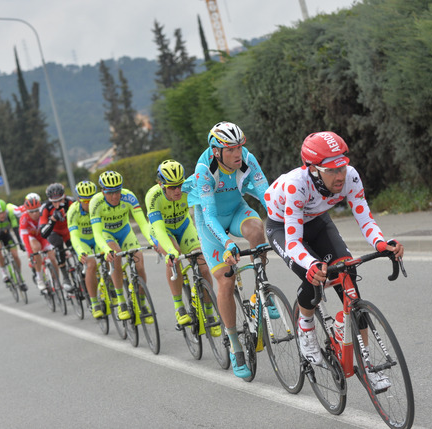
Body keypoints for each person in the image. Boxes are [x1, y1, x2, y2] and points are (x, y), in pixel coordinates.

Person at [264, 131, 404, 392]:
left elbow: (364, 217)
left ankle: (367, 364)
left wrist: (381, 243)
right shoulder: (297, 185)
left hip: (317, 220)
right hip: (283, 226)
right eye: (332, 170)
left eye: (342, 166)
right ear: (314, 170)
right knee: (316, 275)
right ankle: (305, 329)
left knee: (348, 276)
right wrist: (313, 265)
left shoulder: (350, 175)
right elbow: (294, 242)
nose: (340, 175)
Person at [183, 121, 270, 378]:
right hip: (211, 224)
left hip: (235, 210)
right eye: (231, 149)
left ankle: (260, 289)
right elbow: (208, 215)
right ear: (216, 151)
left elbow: (266, 194)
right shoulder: (204, 169)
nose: (237, 154)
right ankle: (234, 345)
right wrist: (228, 243)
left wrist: (286, 220)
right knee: (225, 281)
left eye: (240, 147)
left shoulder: (247, 159)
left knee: (257, 229)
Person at [145, 160, 221, 336]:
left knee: (202, 265)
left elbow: (207, 211)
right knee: (174, 258)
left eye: (179, 185)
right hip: (162, 230)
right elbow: (159, 229)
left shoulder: (190, 187)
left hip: (184, 226)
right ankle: (179, 306)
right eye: (172, 187)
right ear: (161, 184)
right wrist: (171, 252)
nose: (178, 191)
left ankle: (209, 312)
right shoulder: (153, 196)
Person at [90, 171, 154, 322]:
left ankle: (142, 303)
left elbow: (143, 224)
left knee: (139, 265)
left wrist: (153, 242)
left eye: (117, 191)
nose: (115, 196)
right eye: (110, 193)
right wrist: (106, 250)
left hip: (125, 232)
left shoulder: (129, 197)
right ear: (102, 192)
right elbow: (97, 233)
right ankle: (121, 302)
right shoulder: (96, 203)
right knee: (116, 256)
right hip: (107, 234)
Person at [66, 180, 102, 317]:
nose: (89, 204)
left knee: (109, 257)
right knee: (91, 265)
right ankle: (94, 303)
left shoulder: (99, 205)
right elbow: (74, 236)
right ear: (79, 199)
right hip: (83, 241)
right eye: (85, 201)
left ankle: (112, 289)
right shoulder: (73, 211)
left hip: (98, 238)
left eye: (91, 199)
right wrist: (81, 252)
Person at [19, 196, 58, 291]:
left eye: (37, 210)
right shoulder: (24, 218)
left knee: (52, 257)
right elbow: (24, 237)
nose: (35, 213)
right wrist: (30, 254)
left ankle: (57, 282)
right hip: (32, 237)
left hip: (43, 236)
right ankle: (39, 278)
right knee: (36, 249)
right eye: (31, 212)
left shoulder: (44, 214)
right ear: (27, 211)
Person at [39, 183, 73, 291]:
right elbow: (44, 232)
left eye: (60, 200)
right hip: (55, 232)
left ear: (64, 197)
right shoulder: (45, 208)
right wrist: (52, 219)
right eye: (54, 202)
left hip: (69, 230)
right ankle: (66, 277)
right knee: (58, 244)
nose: (57, 204)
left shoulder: (70, 202)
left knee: (76, 246)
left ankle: (82, 270)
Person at [0, 199, 24, 284]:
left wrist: (20, 243)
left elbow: (15, 228)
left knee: (15, 255)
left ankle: (18, 274)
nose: (2, 215)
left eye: (3, 212)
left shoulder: (9, 213)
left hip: (6, 234)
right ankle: (4, 271)